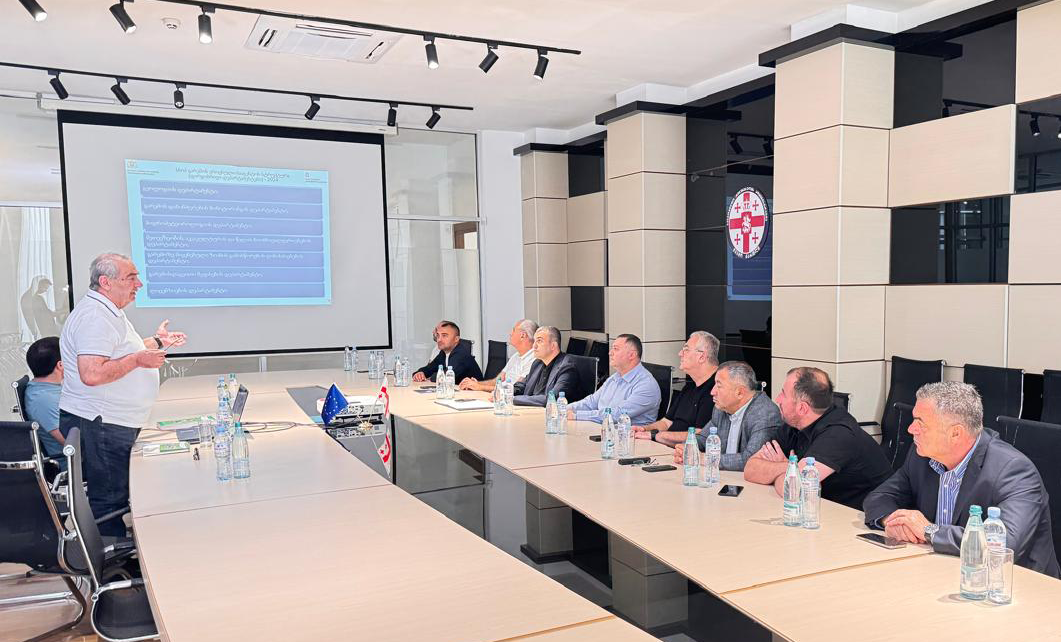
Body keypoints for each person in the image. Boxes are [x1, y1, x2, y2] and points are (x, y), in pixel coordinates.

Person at [864, 382, 1059, 577]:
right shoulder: (922, 456)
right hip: (943, 571)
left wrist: (930, 531)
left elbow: (1003, 545)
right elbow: (879, 497)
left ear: (955, 433)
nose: (910, 429)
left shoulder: (1013, 470)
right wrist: (894, 522)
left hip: (1013, 583)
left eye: (920, 422)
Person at [59, 253, 187, 536]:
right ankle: (107, 557)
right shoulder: (95, 317)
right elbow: (92, 374)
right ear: (106, 282)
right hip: (102, 422)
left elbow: (118, 350)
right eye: (131, 278)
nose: (139, 284)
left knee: (115, 494)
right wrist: (139, 360)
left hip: (112, 420)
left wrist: (157, 342)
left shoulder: (107, 311)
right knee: (109, 500)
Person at [744, 367, 891, 509]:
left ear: (802, 408)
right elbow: (750, 469)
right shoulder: (793, 424)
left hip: (863, 519)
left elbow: (792, 490)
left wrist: (782, 472)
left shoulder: (838, 435)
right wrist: (790, 467)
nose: (777, 399)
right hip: (821, 511)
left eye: (783, 394)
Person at [669, 361, 782, 472]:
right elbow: (704, 439)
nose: (712, 392)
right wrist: (687, 448)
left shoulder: (765, 414)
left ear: (739, 392)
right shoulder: (722, 408)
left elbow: (750, 460)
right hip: (721, 476)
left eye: (719, 386)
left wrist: (704, 458)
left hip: (746, 481)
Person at [633, 331, 719, 443]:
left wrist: (656, 436)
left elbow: (701, 435)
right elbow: (666, 422)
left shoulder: (716, 390)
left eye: (686, 350)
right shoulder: (690, 385)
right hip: (665, 445)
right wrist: (643, 429)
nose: (680, 354)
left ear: (701, 356)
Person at [565, 334, 660, 426]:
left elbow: (616, 414)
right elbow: (591, 402)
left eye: (616, 349)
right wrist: (564, 409)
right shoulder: (615, 377)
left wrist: (576, 415)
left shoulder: (646, 385)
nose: (610, 353)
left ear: (631, 355)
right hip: (602, 429)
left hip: (628, 434)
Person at [459, 319, 537, 392]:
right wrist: (476, 384)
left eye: (513, 330)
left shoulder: (534, 359)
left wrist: (480, 387)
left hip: (510, 398)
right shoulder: (516, 356)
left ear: (523, 335)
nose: (510, 333)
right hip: (499, 395)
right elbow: (497, 381)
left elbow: (516, 389)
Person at [23, 336, 66, 468]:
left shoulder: (48, 389)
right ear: (60, 365)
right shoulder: (43, 400)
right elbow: (71, 443)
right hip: (77, 464)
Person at [513, 326, 580, 406]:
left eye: (539, 341)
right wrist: (506, 392)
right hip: (530, 409)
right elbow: (524, 385)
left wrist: (513, 399)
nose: (534, 346)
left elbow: (552, 398)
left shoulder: (567, 368)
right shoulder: (537, 363)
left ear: (553, 346)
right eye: (534, 341)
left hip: (552, 412)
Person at [411, 320, 483, 383]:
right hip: (456, 391)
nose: (439, 340)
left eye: (444, 336)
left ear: (456, 339)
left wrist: (431, 377)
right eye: (438, 335)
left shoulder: (461, 354)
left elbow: (446, 376)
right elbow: (429, 368)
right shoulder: (443, 353)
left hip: (475, 393)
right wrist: (420, 373)